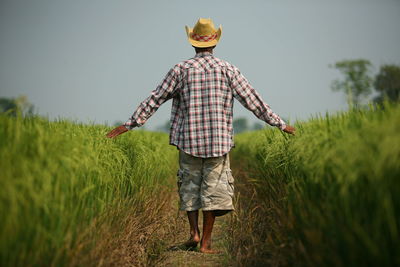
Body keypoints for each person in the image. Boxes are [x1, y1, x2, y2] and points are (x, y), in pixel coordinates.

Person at [106, 18, 296, 254]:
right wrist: (281, 124)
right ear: (214, 43)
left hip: (189, 141)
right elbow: (253, 101)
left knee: (189, 187)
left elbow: (154, 98)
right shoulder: (228, 69)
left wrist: (131, 123)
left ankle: (193, 233)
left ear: (193, 43)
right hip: (218, 142)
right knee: (212, 192)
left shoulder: (180, 70)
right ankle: (205, 243)